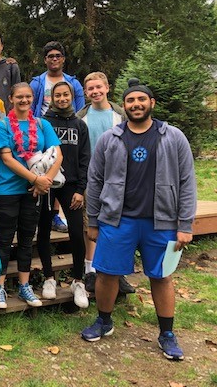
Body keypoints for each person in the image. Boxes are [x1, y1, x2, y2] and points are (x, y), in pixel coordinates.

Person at [81, 79, 196, 362]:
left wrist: (185, 225)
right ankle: (104, 321)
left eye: (141, 100)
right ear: (125, 105)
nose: (136, 105)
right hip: (118, 220)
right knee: (107, 273)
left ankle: (167, 333)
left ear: (151, 103)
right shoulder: (112, 137)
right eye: (131, 101)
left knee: (161, 276)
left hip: (162, 221)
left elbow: (187, 181)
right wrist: (93, 220)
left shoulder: (173, 137)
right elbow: (94, 180)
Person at [0, 82, 62, 309]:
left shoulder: (42, 124)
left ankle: (24, 285)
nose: (24, 100)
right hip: (8, 190)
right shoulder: (2, 126)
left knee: (26, 239)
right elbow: (7, 159)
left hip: (34, 191)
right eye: (19, 97)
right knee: (4, 239)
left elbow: (57, 154)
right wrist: (35, 180)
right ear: (11, 98)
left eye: (28, 97)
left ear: (33, 98)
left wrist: (45, 181)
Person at [76, 72, 134, 295]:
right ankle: (90, 271)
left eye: (99, 87)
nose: (95, 92)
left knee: (119, 225)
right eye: (90, 89)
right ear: (86, 92)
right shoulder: (81, 117)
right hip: (92, 178)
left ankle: (119, 274)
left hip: (120, 178)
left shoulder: (121, 116)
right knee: (90, 225)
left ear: (107, 88)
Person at [36, 82, 90, 308]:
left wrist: (80, 189)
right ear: (51, 98)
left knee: (76, 232)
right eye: (57, 95)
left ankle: (78, 281)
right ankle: (49, 278)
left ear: (71, 96)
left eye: (65, 95)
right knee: (45, 231)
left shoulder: (79, 124)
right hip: (48, 182)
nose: (61, 98)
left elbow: (85, 157)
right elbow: (38, 151)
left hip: (72, 185)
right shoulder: (44, 122)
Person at [29, 41, 85, 233]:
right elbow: (30, 107)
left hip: (68, 129)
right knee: (44, 170)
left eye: (58, 56)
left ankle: (55, 216)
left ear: (63, 59)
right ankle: (43, 216)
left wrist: (75, 126)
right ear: (45, 60)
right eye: (50, 56)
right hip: (44, 130)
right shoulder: (37, 83)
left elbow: (80, 108)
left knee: (63, 173)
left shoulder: (74, 83)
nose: (54, 59)